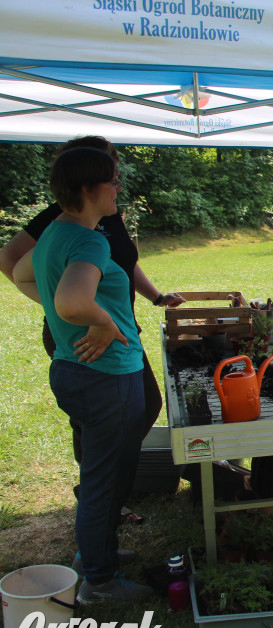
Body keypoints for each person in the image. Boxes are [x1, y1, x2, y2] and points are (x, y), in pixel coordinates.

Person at [0, 135, 183, 527]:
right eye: (111, 174)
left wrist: (154, 296)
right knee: (106, 418)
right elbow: (14, 262)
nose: (118, 184)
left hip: (114, 332)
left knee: (139, 408)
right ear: (86, 180)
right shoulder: (65, 222)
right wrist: (78, 312)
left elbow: (124, 260)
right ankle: (100, 496)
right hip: (88, 337)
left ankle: (102, 490)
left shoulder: (103, 218)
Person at [11, 147, 154, 603]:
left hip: (77, 370)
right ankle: (99, 581)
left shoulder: (55, 232)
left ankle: (97, 554)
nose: (118, 188)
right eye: (112, 180)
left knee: (103, 473)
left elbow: (21, 274)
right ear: (89, 189)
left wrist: (64, 319)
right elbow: (72, 300)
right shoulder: (91, 240)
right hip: (106, 376)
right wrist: (104, 322)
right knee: (103, 481)